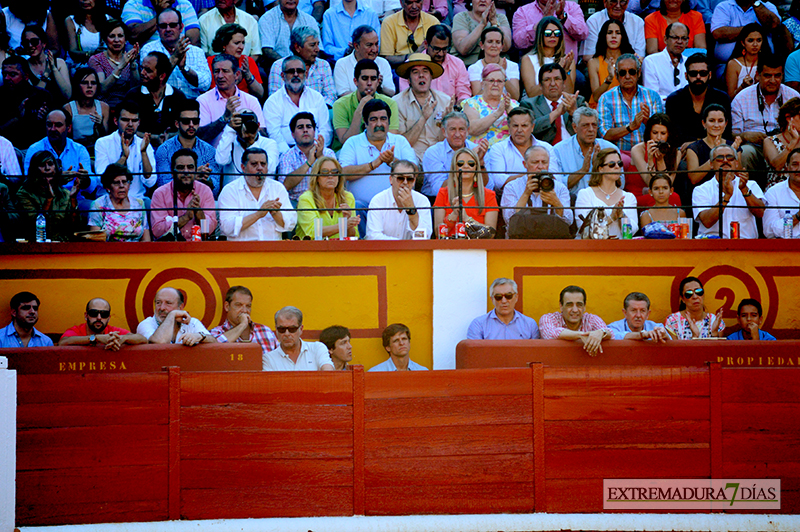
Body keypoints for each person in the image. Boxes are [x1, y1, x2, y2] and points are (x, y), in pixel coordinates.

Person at [339, 99, 418, 210]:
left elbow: (415, 170)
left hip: (397, 205)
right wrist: (372, 165)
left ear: (389, 122)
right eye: (373, 119)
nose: (379, 124)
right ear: (365, 122)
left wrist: (393, 162)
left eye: (383, 119)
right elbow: (343, 173)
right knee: (356, 206)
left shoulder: (400, 141)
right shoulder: (352, 143)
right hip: (363, 209)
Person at [23, 110, 101, 212]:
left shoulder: (79, 150)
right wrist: (56, 180)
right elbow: (27, 182)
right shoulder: (35, 149)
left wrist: (85, 181)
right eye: (49, 125)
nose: (52, 129)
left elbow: (91, 187)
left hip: (74, 199)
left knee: (97, 208)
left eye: (58, 125)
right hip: (43, 201)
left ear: (69, 128)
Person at [219, 147, 295, 240]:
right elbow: (227, 228)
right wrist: (258, 214)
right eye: (254, 164)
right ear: (243, 167)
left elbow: (291, 224)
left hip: (272, 250)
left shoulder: (277, 188)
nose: (260, 168)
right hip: (241, 251)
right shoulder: (230, 190)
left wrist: (275, 213)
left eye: (263, 164)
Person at [693, 143, 765, 239]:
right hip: (713, 245)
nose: (725, 160)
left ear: (736, 163)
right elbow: (707, 221)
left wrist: (744, 190)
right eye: (719, 158)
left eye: (730, 157)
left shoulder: (750, 184)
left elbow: (760, 213)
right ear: (711, 164)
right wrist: (726, 197)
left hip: (745, 245)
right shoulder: (701, 190)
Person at [263, 55, 332, 151]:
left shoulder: (317, 98)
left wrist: (314, 152)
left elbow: (326, 131)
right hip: (286, 154)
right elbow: (274, 135)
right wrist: (292, 156)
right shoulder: (272, 102)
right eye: (291, 71)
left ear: (306, 74)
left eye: (299, 71)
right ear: (283, 76)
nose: (296, 75)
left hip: (316, 151)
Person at [598, 54, 665, 153]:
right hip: (618, 154)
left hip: (648, 151)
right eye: (622, 73)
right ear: (616, 75)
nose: (627, 76)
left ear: (639, 74)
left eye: (632, 72)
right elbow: (605, 134)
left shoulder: (652, 96)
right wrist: (631, 127)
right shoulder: (606, 99)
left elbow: (662, 131)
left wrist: (648, 122)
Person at [140, 8, 212, 99]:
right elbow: (152, 81)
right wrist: (174, 58)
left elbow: (205, 84)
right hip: (162, 103)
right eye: (163, 26)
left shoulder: (196, 51)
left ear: (181, 27)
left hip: (191, 105)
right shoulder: (148, 49)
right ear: (157, 29)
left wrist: (184, 68)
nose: (168, 29)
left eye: (173, 25)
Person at [198, 53, 266, 149]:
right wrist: (225, 118)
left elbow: (262, 134)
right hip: (214, 158)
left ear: (237, 75)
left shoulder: (251, 101)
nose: (220, 76)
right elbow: (201, 137)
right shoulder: (203, 101)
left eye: (225, 71)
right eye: (216, 71)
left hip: (246, 157)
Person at [664, 53, 732, 148]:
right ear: (686, 76)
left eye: (703, 73)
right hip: (683, 150)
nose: (698, 77)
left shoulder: (721, 98)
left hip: (716, 148)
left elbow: (726, 133)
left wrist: (698, 144)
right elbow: (674, 135)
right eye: (693, 73)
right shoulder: (674, 100)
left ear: (710, 75)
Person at [393, 53, 452, 161]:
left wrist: (446, 125)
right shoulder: (396, 103)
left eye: (425, 71)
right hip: (411, 158)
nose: (421, 75)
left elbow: (446, 143)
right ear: (409, 80)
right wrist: (423, 118)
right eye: (415, 72)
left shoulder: (445, 101)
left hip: (440, 157)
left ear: (431, 77)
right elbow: (401, 145)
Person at [94, 100, 156, 201]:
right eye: (125, 120)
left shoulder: (145, 145)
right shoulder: (102, 143)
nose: (130, 124)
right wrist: (123, 157)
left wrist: (143, 153)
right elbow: (102, 180)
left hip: (137, 199)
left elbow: (150, 182)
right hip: (108, 199)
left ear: (139, 122)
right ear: (115, 121)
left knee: (148, 203)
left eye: (134, 120)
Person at [150, 148, 217, 240]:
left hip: (198, 249)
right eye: (181, 167)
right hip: (170, 249)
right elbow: (158, 231)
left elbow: (210, 230)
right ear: (172, 172)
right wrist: (186, 217)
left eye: (190, 167)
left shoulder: (205, 191)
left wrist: (199, 212)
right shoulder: (160, 194)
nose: (186, 171)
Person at [551, 106, 619, 196]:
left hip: (605, 200)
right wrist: (583, 171)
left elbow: (619, 184)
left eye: (594, 125)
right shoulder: (559, 150)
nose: (591, 130)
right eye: (585, 125)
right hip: (572, 203)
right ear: (575, 127)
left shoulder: (610, 148)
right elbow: (557, 186)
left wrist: (598, 168)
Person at [156, 99, 220, 193]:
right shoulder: (164, 150)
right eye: (186, 121)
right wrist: (193, 177)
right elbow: (163, 185)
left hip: (201, 201)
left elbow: (216, 188)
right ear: (177, 124)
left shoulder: (209, 150)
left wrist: (206, 179)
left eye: (195, 121)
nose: (191, 125)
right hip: (174, 204)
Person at [484, 107, 554, 194]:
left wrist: (523, 178)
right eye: (515, 126)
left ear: (532, 127)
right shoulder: (498, 148)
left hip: (543, 196)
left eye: (524, 126)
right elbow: (498, 181)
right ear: (509, 127)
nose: (519, 130)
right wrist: (532, 177)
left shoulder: (547, 148)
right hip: (510, 196)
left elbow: (556, 178)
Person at [16, 151, 81, 242]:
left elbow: (75, 227)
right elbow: (33, 227)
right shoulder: (24, 194)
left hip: (63, 244)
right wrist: (49, 200)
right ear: (34, 169)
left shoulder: (65, 194)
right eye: (42, 165)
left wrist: (73, 199)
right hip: (36, 245)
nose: (47, 168)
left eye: (50, 164)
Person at [398, 25, 471, 106]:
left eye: (444, 49)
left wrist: (459, 105)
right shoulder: (410, 65)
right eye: (436, 49)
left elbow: (463, 93)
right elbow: (405, 97)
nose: (440, 54)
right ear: (426, 44)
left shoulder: (457, 63)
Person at [683, 104, 740, 207]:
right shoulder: (693, 148)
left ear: (726, 123)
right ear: (704, 123)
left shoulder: (734, 146)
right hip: (703, 198)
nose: (716, 125)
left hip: (732, 197)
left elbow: (738, 176)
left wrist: (733, 152)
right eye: (712, 121)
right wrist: (715, 156)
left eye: (720, 121)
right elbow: (693, 178)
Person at [334, 59, 400, 147]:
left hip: (381, 149)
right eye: (364, 79)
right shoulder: (340, 104)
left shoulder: (390, 103)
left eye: (373, 79)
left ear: (378, 82)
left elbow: (391, 140)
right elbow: (346, 141)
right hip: (348, 151)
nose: (369, 83)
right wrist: (360, 109)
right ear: (355, 81)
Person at [421, 111, 487, 199]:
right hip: (439, 199)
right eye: (452, 129)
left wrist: (480, 163)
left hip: (472, 197)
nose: (457, 134)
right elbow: (439, 189)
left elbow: (488, 186)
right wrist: (468, 160)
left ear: (467, 131)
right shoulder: (433, 152)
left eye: (461, 129)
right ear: (444, 132)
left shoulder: (478, 149)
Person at [501, 144, 572, 226]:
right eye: (535, 162)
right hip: (521, 236)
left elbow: (568, 222)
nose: (540, 166)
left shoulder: (560, 188)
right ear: (525, 164)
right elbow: (509, 220)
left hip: (551, 236)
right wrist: (526, 194)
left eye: (544, 162)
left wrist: (556, 203)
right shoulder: (511, 187)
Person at [575, 148, 638, 238]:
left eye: (619, 163)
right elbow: (583, 227)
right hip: (592, 249)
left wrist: (621, 215)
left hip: (620, 249)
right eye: (611, 164)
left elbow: (633, 231)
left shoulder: (629, 197)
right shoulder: (585, 194)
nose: (617, 167)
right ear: (600, 169)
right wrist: (611, 217)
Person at [126, 51, 188, 142]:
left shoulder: (178, 97)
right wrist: (154, 138)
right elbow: (125, 127)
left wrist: (170, 136)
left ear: (162, 76)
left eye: (148, 70)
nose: (142, 73)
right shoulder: (133, 95)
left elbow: (186, 127)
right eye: (142, 68)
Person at [433, 147, 498, 234]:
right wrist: (453, 215)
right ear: (454, 168)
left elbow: (491, 233)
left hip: (478, 246)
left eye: (471, 163)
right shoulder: (443, 193)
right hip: (449, 246)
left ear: (476, 168)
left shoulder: (489, 195)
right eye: (460, 163)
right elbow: (438, 232)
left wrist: (467, 219)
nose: (466, 166)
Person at [266, 26, 336, 107]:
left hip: (318, 112)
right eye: (312, 45)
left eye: (318, 44)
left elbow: (331, 97)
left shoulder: (323, 65)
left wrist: (315, 110)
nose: (317, 49)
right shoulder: (279, 66)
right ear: (297, 47)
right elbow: (275, 99)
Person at [710, 0, 780, 79]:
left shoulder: (767, 6)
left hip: (764, 65)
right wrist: (751, 29)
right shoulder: (724, 7)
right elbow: (718, 33)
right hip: (726, 64)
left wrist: (756, 3)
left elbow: (774, 25)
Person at [277, 112, 336, 203]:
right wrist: (309, 163)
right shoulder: (286, 156)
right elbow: (285, 186)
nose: (305, 130)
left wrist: (320, 158)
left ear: (314, 132)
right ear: (292, 134)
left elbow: (336, 181)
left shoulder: (328, 153)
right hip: (296, 202)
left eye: (308, 127)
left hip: (324, 201)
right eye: (300, 127)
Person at [519, 63, 583, 146]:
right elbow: (527, 129)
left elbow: (587, 128)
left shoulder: (577, 101)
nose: (552, 84)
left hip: (573, 149)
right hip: (544, 152)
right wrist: (556, 113)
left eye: (557, 79)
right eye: (547, 80)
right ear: (540, 85)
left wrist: (574, 112)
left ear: (564, 83)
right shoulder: (529, 104)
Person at [366, 159, 433, 239]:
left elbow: (425, 237)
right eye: (400, 178)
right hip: (385, 251)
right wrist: (401, 245)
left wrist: (411, 210)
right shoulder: (378, 201)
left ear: (414, 181)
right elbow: (372, 236)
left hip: (413, 251)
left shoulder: (422, 201)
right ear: (391, 179)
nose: (405, 182)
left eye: (409, 179)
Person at [539, 285, 613, 356]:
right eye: (569, 305)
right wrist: (580, 335)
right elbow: (550, 334)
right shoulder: (549, 318)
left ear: (584, 306)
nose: (575, 310)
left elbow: (611, 334)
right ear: (561, 306)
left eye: (579, 305)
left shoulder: (591, 319)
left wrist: (601, 332)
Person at [297, 157, 360, 239]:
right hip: (311, 249)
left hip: (340, 249)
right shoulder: (306, 199)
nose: (330, 176)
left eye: (334, 172)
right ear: (317, 177)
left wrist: (349, 223)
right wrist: (344, 225)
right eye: (325, 172)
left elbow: (353, 236)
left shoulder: (348, 197)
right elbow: (312, 232)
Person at [216, 110, 279, 190]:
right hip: (234, 194)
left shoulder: (269, 143)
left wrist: (251, 143)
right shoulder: (230, 142)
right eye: (242, 124)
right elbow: (221, 160)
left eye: (250, 124)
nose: (245, 128)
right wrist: (229, 129)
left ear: (258, 125)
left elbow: (270, 169)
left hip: (261, 194)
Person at [0, 56, 53, 150]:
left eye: (12, 74)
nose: (6, 78)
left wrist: (46, 118)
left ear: (26, 76)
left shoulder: (42, 96)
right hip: (7, 149)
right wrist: (17, 118)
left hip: (38, 150)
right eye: (4, 74)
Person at [88, 163, 152, 242]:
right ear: (108, 187)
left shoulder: (139, 204)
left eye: (124, 182)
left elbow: (146, 239)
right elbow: (95, 241)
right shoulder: (98, 205)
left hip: (136, 252)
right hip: (109, 252)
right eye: (116, 183)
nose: (121, 186)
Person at [209, 285, 278, 356]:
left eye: (248, 306)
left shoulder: (266, 331)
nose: (244, 310)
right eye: (238, 305)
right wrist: (243, 325)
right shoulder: (216, 333)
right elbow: (214, 349)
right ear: (227, 306)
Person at [88, 19, 141, 110]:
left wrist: (132, 64)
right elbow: (102, 88)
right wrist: (120, 66)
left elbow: (135, 89)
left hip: (127, 108)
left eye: (120, 36)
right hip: (104, 108)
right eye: (112, 36)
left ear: (125, 39)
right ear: (105, 39)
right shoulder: (96, 59)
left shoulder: (131, 58)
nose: (117, 40)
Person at [513, 0, 587, 65]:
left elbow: (583, 34)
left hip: (566, 65)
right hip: (534, 66)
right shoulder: (522, 11)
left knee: (581, 80)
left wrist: (563, 16)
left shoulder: (572, 7)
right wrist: (543, 22)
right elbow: (518, 42)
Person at [462, 63, 518, 147]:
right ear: (482, 83)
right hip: (479, 152)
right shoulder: (471, 103)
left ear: (503, 84)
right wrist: (498, 113)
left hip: (507, 153)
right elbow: (472, 129)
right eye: (491, 81)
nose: (495, 84)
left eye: (499, 81)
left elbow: (520, 128)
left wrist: (509, 109)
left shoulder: (513, 104)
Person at [263, 306, 334, 371]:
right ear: (276, 330)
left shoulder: (317, 348)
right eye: (282, 329)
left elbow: (328, 372)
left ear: (301, 329)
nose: (287, 334)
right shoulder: (268, 359)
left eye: (292, 329)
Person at [137, 286, 216, 345]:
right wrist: (172, 314)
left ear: (180, 307)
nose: (162, 308)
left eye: (168, 303)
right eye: (158, 302)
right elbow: (160, 343)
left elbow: (214, 342)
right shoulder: (146, 324)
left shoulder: (192, 323)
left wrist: (200, 336)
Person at [59, 298, 147, 350]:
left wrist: (123, 338)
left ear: (108, 318)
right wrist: (96, 338)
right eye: (94, 313)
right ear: (86, 316)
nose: (99, 318)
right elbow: (63, 343)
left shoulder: (113, 332)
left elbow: (143, 339)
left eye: (104, 314)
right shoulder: (77, 330)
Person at [520, 17, 575, 99]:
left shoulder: (567, 60)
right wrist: (557, 69)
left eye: (557, 33)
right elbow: (531, 94)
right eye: (548, 33)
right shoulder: (528, 59)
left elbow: (569, 93)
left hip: (560, 104)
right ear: (540, 35)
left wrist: (566, 71)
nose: (553, 36)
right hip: (536, 105)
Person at [467, 278, 539, 339]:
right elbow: (475, 354)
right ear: (492, 299)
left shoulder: (529, 325)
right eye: (498, 297)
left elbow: (535, 353)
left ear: (516, 297)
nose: (504, 301)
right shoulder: (479, 325)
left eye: (508, 296)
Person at [333, 25, 395, 97]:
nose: (374, 49)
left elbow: (391, 93)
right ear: (356, 46)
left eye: (376, 44)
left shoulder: (383, 63)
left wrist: (379, 87)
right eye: (369, 45)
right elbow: (343, 94)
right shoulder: (342, 64)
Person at [629, 113, 681, 196]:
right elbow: (650, 183)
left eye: (663, 133)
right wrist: (650, 159)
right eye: (655, 133)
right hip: (640, 194)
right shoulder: (638, 150)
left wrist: (660, 161)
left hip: (662, 195)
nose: (659, 137)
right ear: (649, 133)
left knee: (674, 197)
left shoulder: (676, 153)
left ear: (668, 134)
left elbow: (667, 184)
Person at [206, 23, 263, 100]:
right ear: (224, 44)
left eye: (243, 43)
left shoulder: (247, 61)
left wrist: (248, 75)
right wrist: (235, 80)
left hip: (244, 104)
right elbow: (212, 92)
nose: (241, 47)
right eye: (237, 43)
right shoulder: (212, 61)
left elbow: (260, 94)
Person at [63, 67, 111, 155]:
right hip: (75, 152)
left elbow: (106, 138)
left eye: (93, 83)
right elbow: (66, 140)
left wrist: (100, 126)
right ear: (77, 85)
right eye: (85, 83)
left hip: (98, 152)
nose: (89, 86)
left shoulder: (104, 107)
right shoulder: (68, 108)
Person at [379, 0, 439, 68]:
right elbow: (387, 58)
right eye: (409, 3)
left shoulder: (433, 22)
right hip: (399, 69)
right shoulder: (388, 23)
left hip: (427, 67)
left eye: (417, 2)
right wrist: (414, 55)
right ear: (401, 3)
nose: (414, 6)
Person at [588, 19, 634, 107]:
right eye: (609, 33)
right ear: (604, 36)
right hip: (600, 108)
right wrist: (609, 79)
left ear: (622, 37)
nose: (613, 36)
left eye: (618, 33)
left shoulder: (630, 60)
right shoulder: (593, 62)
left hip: (625, 106)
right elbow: (596, 97)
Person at [258, 0, 320, 66]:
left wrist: (302, 67)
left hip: (307, 68)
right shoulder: (267, 19)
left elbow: (318, 49)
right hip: (277, 67)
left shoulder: (309, 20)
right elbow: (267, 50)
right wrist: (289, 66)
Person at [22, 25, 71, 106]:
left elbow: (67, 94)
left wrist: (54, 69)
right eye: (26, 42)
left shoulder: (59, 63)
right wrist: (46, 74)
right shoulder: (24, 67)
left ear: (44, 43)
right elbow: (34, 98)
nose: (30, 45)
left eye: (34, 41)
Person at [466, 26, 520, 101]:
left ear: (502, 46)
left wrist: (504, 76)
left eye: (498, 42)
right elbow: (477, 97)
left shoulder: (513, 66)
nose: (494, 46)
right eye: (490, 41)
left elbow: (515, 97)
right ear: (482, 45)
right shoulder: (474, 68)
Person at [452, 0, 511, 67]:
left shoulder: (500, 18)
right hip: (467, 66)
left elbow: (506, 47)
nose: (483, 0)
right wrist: (482, 24)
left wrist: (494, 22)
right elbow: (463, 49)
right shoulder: (461, 17)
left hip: (497, 67)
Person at [642, 22, 689, 103]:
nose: (680, 41)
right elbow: (652, 97)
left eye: (684, 38)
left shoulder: (689, 62)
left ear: (687, 42)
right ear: (665, 39)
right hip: (661, 112)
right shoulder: (651, 61)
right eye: (675, 37)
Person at [122, 0, 201, 45]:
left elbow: (193, 40)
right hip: (145, 63)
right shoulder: (133, 4)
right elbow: (133, 36)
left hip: (179, 58)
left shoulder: (185, 5)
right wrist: (161, 13)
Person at [763, 98, 800, 190]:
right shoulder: (770, 141)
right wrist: (793, 142)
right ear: (788, 118)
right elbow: (777, 166)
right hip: (777, 191)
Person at [763, 146, 800, 238]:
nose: (799, 169)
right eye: (795, 164)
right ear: (787, 167)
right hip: (786, 248)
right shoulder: (773, 192)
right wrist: (797, 217)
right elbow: (769, 231)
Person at [725, 24, 765, 99]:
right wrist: (743, 86)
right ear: (743, 43)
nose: (755, 44)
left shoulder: (767, 62)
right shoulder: (734, 64)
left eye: (759, 40)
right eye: (750, 40)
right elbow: (730, 97)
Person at [64, 0, 108, 66]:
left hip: (103, 65)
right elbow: (72, 52)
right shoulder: (70, 20)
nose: (85, 1)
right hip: (78, 66)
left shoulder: (108, 19)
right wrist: (92, 54)